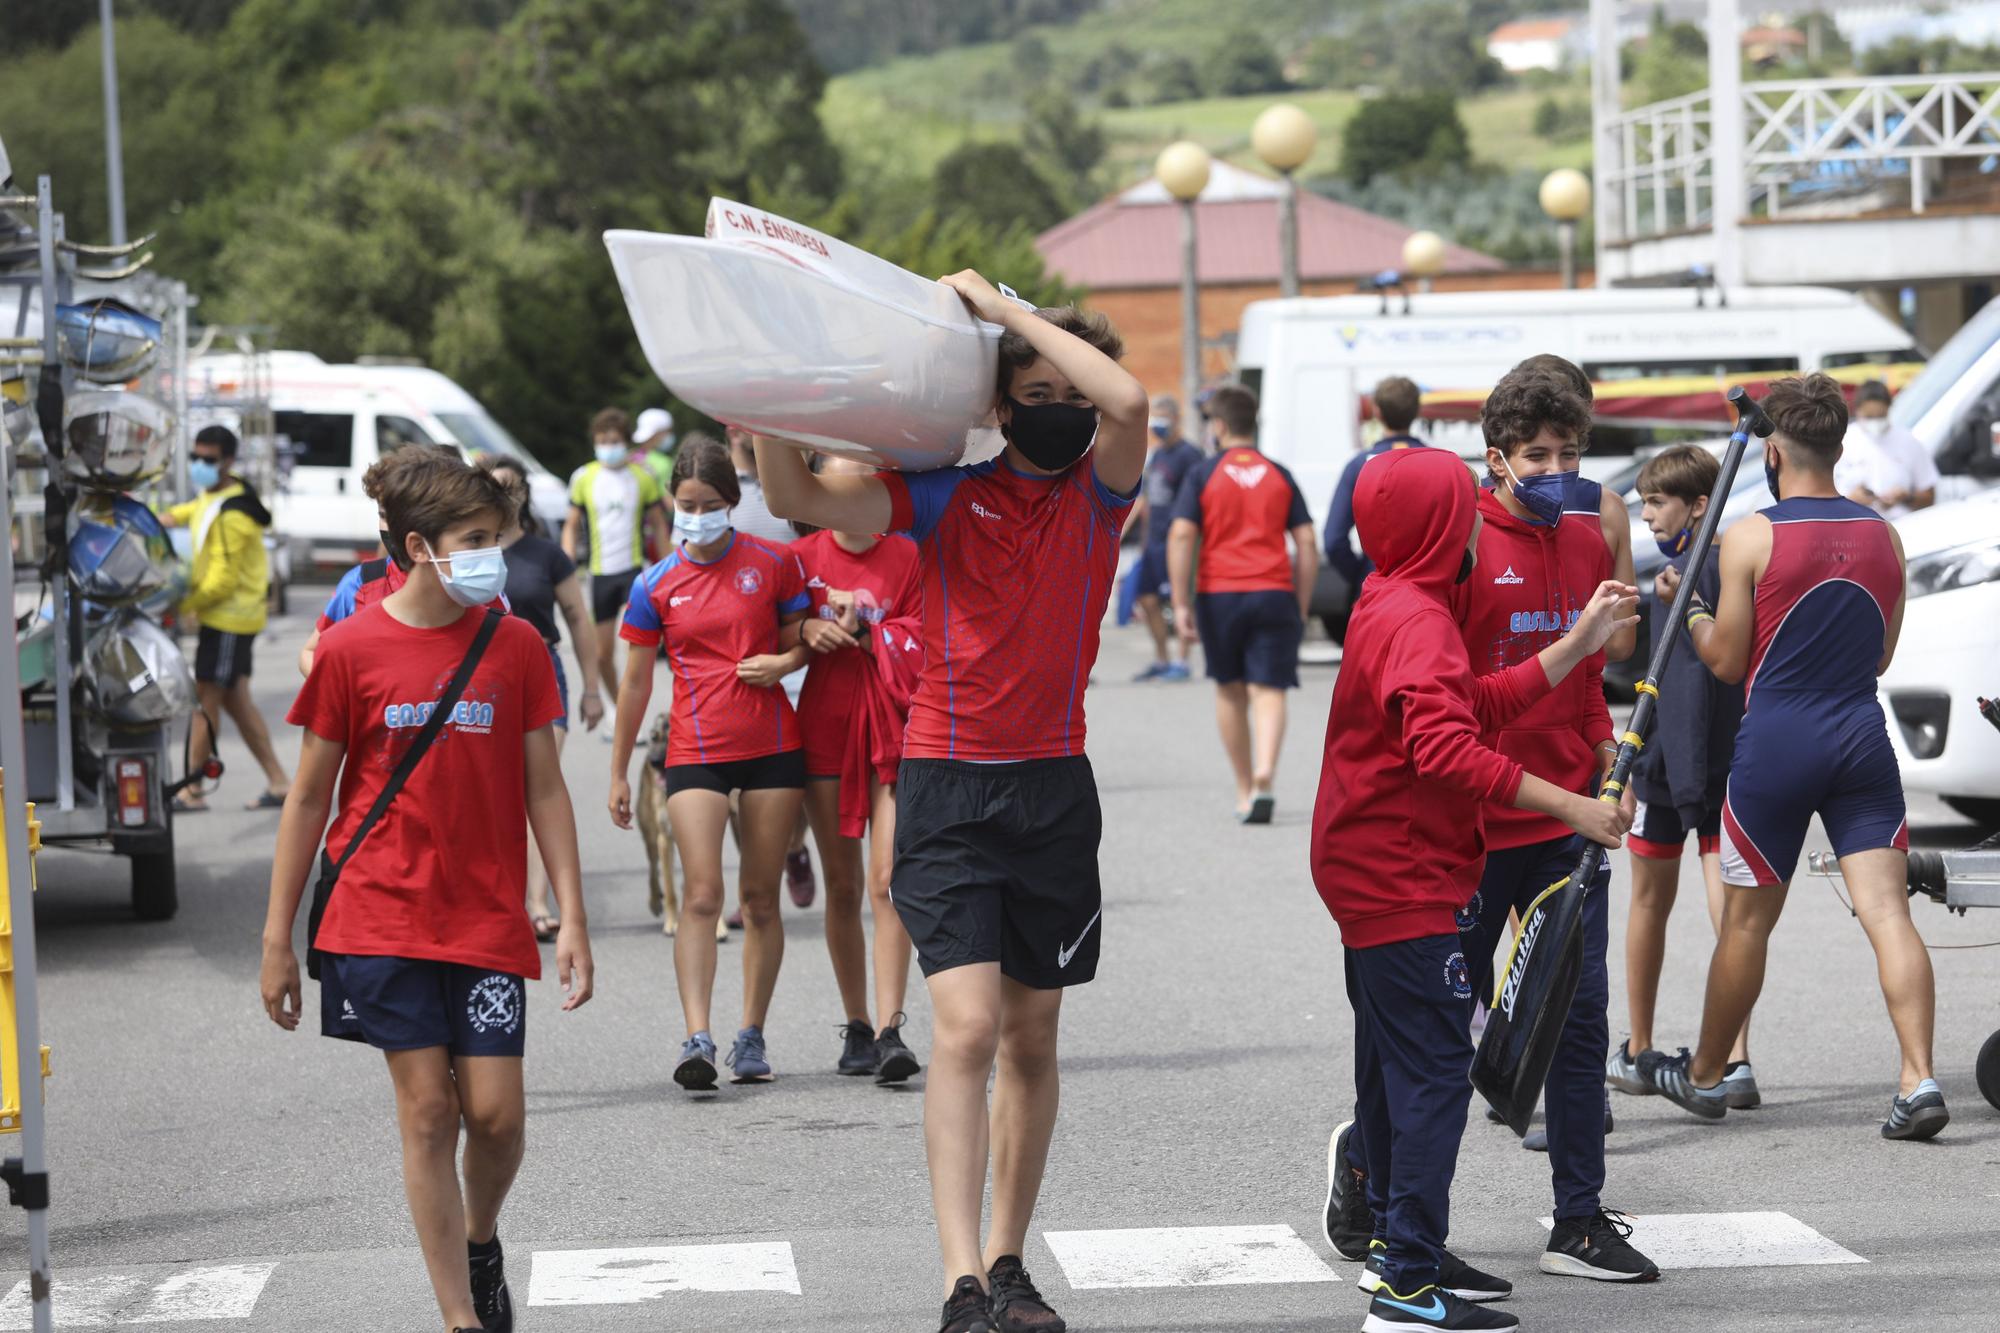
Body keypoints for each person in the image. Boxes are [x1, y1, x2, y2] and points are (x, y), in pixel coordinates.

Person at [752, 270, 1149, 1333]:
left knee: (1031, 1036)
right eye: (1029, 391)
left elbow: (1128, 404)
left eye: (1062, 387)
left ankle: (1012, 1263)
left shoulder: (1099, 494)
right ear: (993, 404)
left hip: (1054, 790)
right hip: (947, 787)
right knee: (965, 1030)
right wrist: (766, 398)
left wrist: (1012, 315)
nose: (1057, 407)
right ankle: (960, 1277)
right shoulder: (942, 493)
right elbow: (797, 497)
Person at [259, 456, 593, 1333]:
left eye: (498, 538)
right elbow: (307, 798)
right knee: (430, 1108)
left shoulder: (514, 641)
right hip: (379, 915)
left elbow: (546, 789)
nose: (495, 558)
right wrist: (275, 939)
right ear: (418, 547)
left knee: (497, 1117)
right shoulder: (348, 648)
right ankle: (460, 1317)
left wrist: (573, 917)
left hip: (485, 916)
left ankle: (481, 1237)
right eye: (475, 542)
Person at [1312, 445, 1636, 1333]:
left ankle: (1400, 1245)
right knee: (1432, 1077)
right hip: (1401, 869)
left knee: (1399, 1061)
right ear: (1437, 525)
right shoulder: (1418, 619)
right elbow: (1447, 751)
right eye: (1459, 507)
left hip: (1367, 861)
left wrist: (1574, 648)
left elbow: (1468, 705)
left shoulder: (1392, 595)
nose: (1471, 521)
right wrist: (1574, 803)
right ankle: (1407, 1282)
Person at [1648, 373, 1946, 1140]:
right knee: (1887, 911)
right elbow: (1880, 656)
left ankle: (1708, 1073)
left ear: (1773, 450)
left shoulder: (1751, 532)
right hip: (1859, 735)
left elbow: (1723, 660)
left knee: (1747, 923)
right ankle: (1918, 1079)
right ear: (1841, 446)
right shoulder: (1886, 534)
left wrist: (1694, 605)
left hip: (1778, 738)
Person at [1449, 365, 1657, 1280]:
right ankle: (1382, 1188)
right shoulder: (1457, 541)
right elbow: (1451, 706)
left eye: (1571, 452)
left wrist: (1606, 758)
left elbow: (1582, 689)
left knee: (1577, 1023)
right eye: (1538, 455)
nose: (1558, 469)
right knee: (1437, 1025)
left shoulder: (1584, 537)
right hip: (1466, 826)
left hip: (1566, 820)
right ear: (1497, 458)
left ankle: (1577, 1218)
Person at [608, 435, 810, 1093]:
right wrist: (617, 770)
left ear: (733, 500)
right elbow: (636, 684)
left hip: (772, 746)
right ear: (672, 505)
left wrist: (781, 663)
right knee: (700, 894)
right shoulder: (654, 583)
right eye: (686, 505)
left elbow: (799, 643)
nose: (696, 515)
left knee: (759, 898)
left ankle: (750, 1034)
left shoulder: (774, 563)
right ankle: (697, 1034)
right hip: (695, 751)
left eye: (710, 503)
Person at [1607, 446, 1755, 1106]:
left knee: (1686, 901)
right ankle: (1717, 1055)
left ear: (1700, 503)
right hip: (1714, 755)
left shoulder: (1690, 573)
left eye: (1657, 501)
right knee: (1705, 900)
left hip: (1682, 760)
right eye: (1641, 502)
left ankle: (1664, 1050)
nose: (1646, 514)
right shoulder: (1720, 565)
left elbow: (1698, 675)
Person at [780, 456, 926, 1081]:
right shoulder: (799, 558)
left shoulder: (909, 554)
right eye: (835, 481)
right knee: (841, 887)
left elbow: (929, 633)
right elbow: (776, 630)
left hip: (892, 732)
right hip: (824, 729)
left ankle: (893, 1026)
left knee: (888, 878)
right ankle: (858, 1023)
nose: (850, 491)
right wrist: (810, 625)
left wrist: (870, 633)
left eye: (862, 478)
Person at [1167, 384, 1317, 823]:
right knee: (1269, 690)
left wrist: (1179, 602)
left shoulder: (1202, 473)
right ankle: (1267, 772)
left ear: (1219, 426)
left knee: (1230, 691)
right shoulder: (1280, 473)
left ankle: (1245, 786)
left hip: (1220, 595)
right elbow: (1306, 541)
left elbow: (1180, 535)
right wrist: (1301, 603)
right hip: (1274, 592)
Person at [481, 457, 605, 942]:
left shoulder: (546, 555)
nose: (503, 496)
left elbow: (578, 619)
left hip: (542, 672)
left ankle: (533, 902)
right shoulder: (469, 551)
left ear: (525, 495)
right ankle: (496, 897)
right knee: (493, 793)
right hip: (484, 677)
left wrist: (593, 690)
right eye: (493, 488)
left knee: (537, 787)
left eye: (510, 488)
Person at [163, 425, 290, 812]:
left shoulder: (235, 513)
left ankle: (193, 790)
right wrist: (157, 517)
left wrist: (184, 606)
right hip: (229, 619)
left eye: (209, 459)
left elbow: (223, 578)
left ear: (228, 462)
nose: (200, 465)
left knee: (205, 701)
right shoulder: (216, 497)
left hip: (229, 620)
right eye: (196, 457)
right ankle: (279, 781)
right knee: (235, 701)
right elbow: (193, 513)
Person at [723, 424, 818, 906]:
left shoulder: (789, 473)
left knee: (794, 777)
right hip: (740, 645)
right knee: (740, 789)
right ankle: (751, 888)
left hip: (793, 631)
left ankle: (795, 847)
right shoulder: (716, 484)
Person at [563, 407, 672, 705]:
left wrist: (669, 569)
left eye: (614, 441)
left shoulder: (642, 476)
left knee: (635, 650)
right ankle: (616, 706)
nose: (608, 447)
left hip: (634, 572)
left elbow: (659, 526)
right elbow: (571, 525)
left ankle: (632, 708)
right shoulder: (584, 477)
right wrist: (567, 561)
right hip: (600, 574)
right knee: (601, 654)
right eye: (602, 441)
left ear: (625, 442)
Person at [1323, 375, 1428, 596]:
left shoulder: (1358, 465)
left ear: (1377, 412)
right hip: (1429, 585)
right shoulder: (1442, 462)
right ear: (1417, 411)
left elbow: (1333, 539)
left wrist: (1360, 575)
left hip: (1375, 586)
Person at [1126, 393, 1203, 681]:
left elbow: (1197, 499)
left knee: (1180, 599)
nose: (1156, 425)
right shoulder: (1157, 455)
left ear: (1175, 419)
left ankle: (1182, 661)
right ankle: (1162, 658)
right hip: (1154, 540)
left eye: (1161, 418)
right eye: (1153, 418)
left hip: (1178, 539)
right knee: (1146, 598)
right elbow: (1145, 498)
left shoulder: (1189, 455)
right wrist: (1130, 532)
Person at [1836, 379, 1938, 519]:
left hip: (1902, 528)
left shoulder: (1908, 441)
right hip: (1856, 528)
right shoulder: (1843, 441)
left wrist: (1905, 497)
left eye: (1880, 416)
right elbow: (1823, 496)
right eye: (1869, 417)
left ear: (1889, 409)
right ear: (1857, 410)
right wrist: (1851, 500)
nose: (1875, 422)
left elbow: (1929, 496)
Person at [635, 407, 678, 493]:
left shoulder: (630, 457)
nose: (669, 435)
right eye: (668, 431)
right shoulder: (665, 463)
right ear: (655, 434)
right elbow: (668, 500)